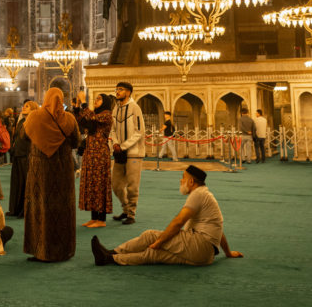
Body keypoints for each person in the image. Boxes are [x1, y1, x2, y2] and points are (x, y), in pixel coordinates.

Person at [91, 165, 244, 266]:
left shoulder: (198, 194)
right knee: (153, 254)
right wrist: (228, 253)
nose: (181, 180)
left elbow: (178, 222)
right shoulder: (205, 194)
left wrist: (159, 241)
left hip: (199, 246)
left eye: (183, 177)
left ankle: (113, 252)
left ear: (191, 181)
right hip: (205, 257)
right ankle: (108, 258)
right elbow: (218, 229)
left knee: (150, 236)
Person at [22, 87, 80, 262]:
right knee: (63, 208)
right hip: (63, 169)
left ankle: (41, 251)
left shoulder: (35, 117)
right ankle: (64, 251)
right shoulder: (69, 119)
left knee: (40, 206)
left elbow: (23, 136)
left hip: (40, 168)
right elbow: (76, 142)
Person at [78, 91, 114, 228]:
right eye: (96, 98)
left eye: (99, 99)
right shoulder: (95, 115)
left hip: (100, 154)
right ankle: (94, 218)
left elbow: (91, 117)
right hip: (90, 153)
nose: (96, 101)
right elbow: (83, 121)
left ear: (105, 102)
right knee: (92, 184)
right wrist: (77, 107)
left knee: (100, 185)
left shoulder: (106, 115)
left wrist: (83, 103)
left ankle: (101, 219)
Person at [111, 81, 145, 225]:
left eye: (121, 89)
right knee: (116, 185)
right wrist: (115, 143)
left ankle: (131, 214)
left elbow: (139, 132)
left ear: (129, 92)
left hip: (133, 153)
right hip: (119, 152)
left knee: (132, 186)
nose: (118, 92)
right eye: (117, 89)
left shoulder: (135, 108)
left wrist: (124, 146)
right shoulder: (116, 108)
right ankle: (125, 209)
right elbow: (113, 129)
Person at [8, 100, 36, 217]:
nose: (24, 108)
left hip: (27, 156)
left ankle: (24, 211)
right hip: (18, 155)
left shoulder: (34, 122)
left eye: (27, 106)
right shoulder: (21, 122)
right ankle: (15, 209)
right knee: (16, 183)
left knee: (26, 184)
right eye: (24, 106)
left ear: (33, 109)